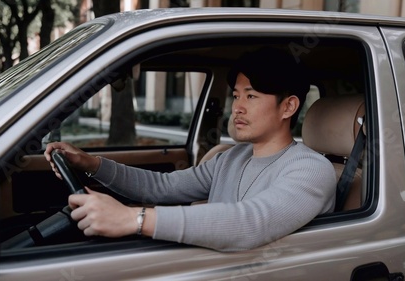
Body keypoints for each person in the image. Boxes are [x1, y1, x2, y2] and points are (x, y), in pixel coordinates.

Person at [44, 47, 336, 252]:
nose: (237, 107)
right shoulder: (232, 157)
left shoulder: (311, 169)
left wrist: (133, 219)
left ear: (288, 106)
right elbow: (162, 187)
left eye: (252, 95)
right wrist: (91, 163)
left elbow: (250, 223)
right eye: (236, 95)